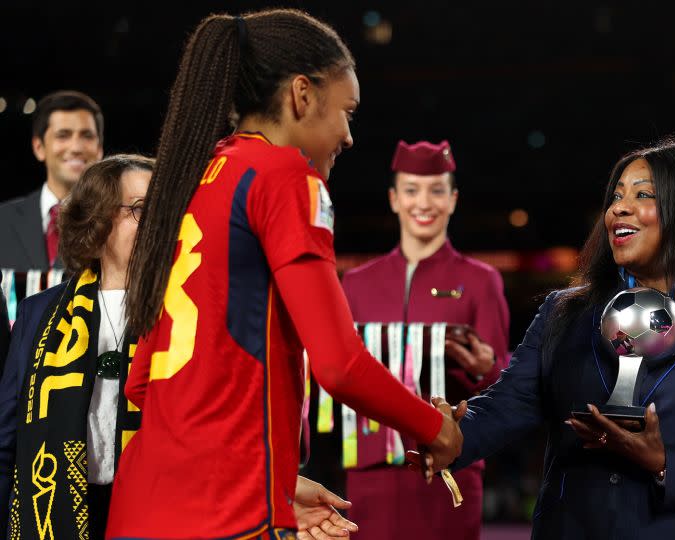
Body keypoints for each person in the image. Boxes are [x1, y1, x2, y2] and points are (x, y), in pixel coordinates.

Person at [107, 9, 462, 538]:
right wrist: (437, 429)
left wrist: (278, 480)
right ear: (301, 95)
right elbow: (339, 365)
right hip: (224, 518)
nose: (348, 135)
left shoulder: (192, 176)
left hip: (138, 509)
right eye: (347, 111)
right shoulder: (286, 177)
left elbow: (142, 385)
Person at [413, 140, 675, 539]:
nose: (619, 207)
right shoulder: (563, 312)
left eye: (643, 194)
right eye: (616, 196)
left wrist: (666, 460)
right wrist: (456, 435)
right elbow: (509, 403)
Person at [341, 140, 510, 540]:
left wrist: (489, 369)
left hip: (449, 469)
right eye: (412, 189)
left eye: (436, 190)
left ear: (452, 200)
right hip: (368, 471)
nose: (424, 202)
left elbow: (506, 386)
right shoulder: (356, 283)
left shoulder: (481, 280)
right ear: (394, 198)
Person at [0, 155, 151, 538]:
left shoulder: (187, 314)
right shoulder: (38, 314)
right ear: (96, 222)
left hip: (152, 512)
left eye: (163, 209)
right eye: (138, 210)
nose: (156, 222)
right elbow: (7, 443)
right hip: (56, 510)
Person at [0, 91, 104, 272]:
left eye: (87, 136)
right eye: (63, 135)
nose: (76, 147)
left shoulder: (114, 224)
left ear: (99, 149)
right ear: (39, 147)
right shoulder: (3, 220)